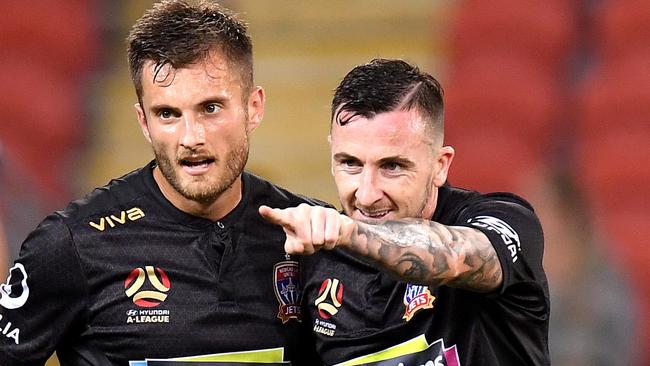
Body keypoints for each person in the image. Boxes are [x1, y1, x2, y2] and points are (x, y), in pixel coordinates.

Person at [0, 1, 325, 365]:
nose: (191, 137)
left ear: (254, 107)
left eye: (210, 108)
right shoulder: (71, 244)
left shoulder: (312, 239)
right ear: (143, 121)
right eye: (167, 114)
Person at [260, 59, 550, 365]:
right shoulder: (316, 264)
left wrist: (350, 233)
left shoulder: (506, 222)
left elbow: (458, 259)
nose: (367, 194)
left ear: (440, 166)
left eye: (392, 166)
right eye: (350, 163)